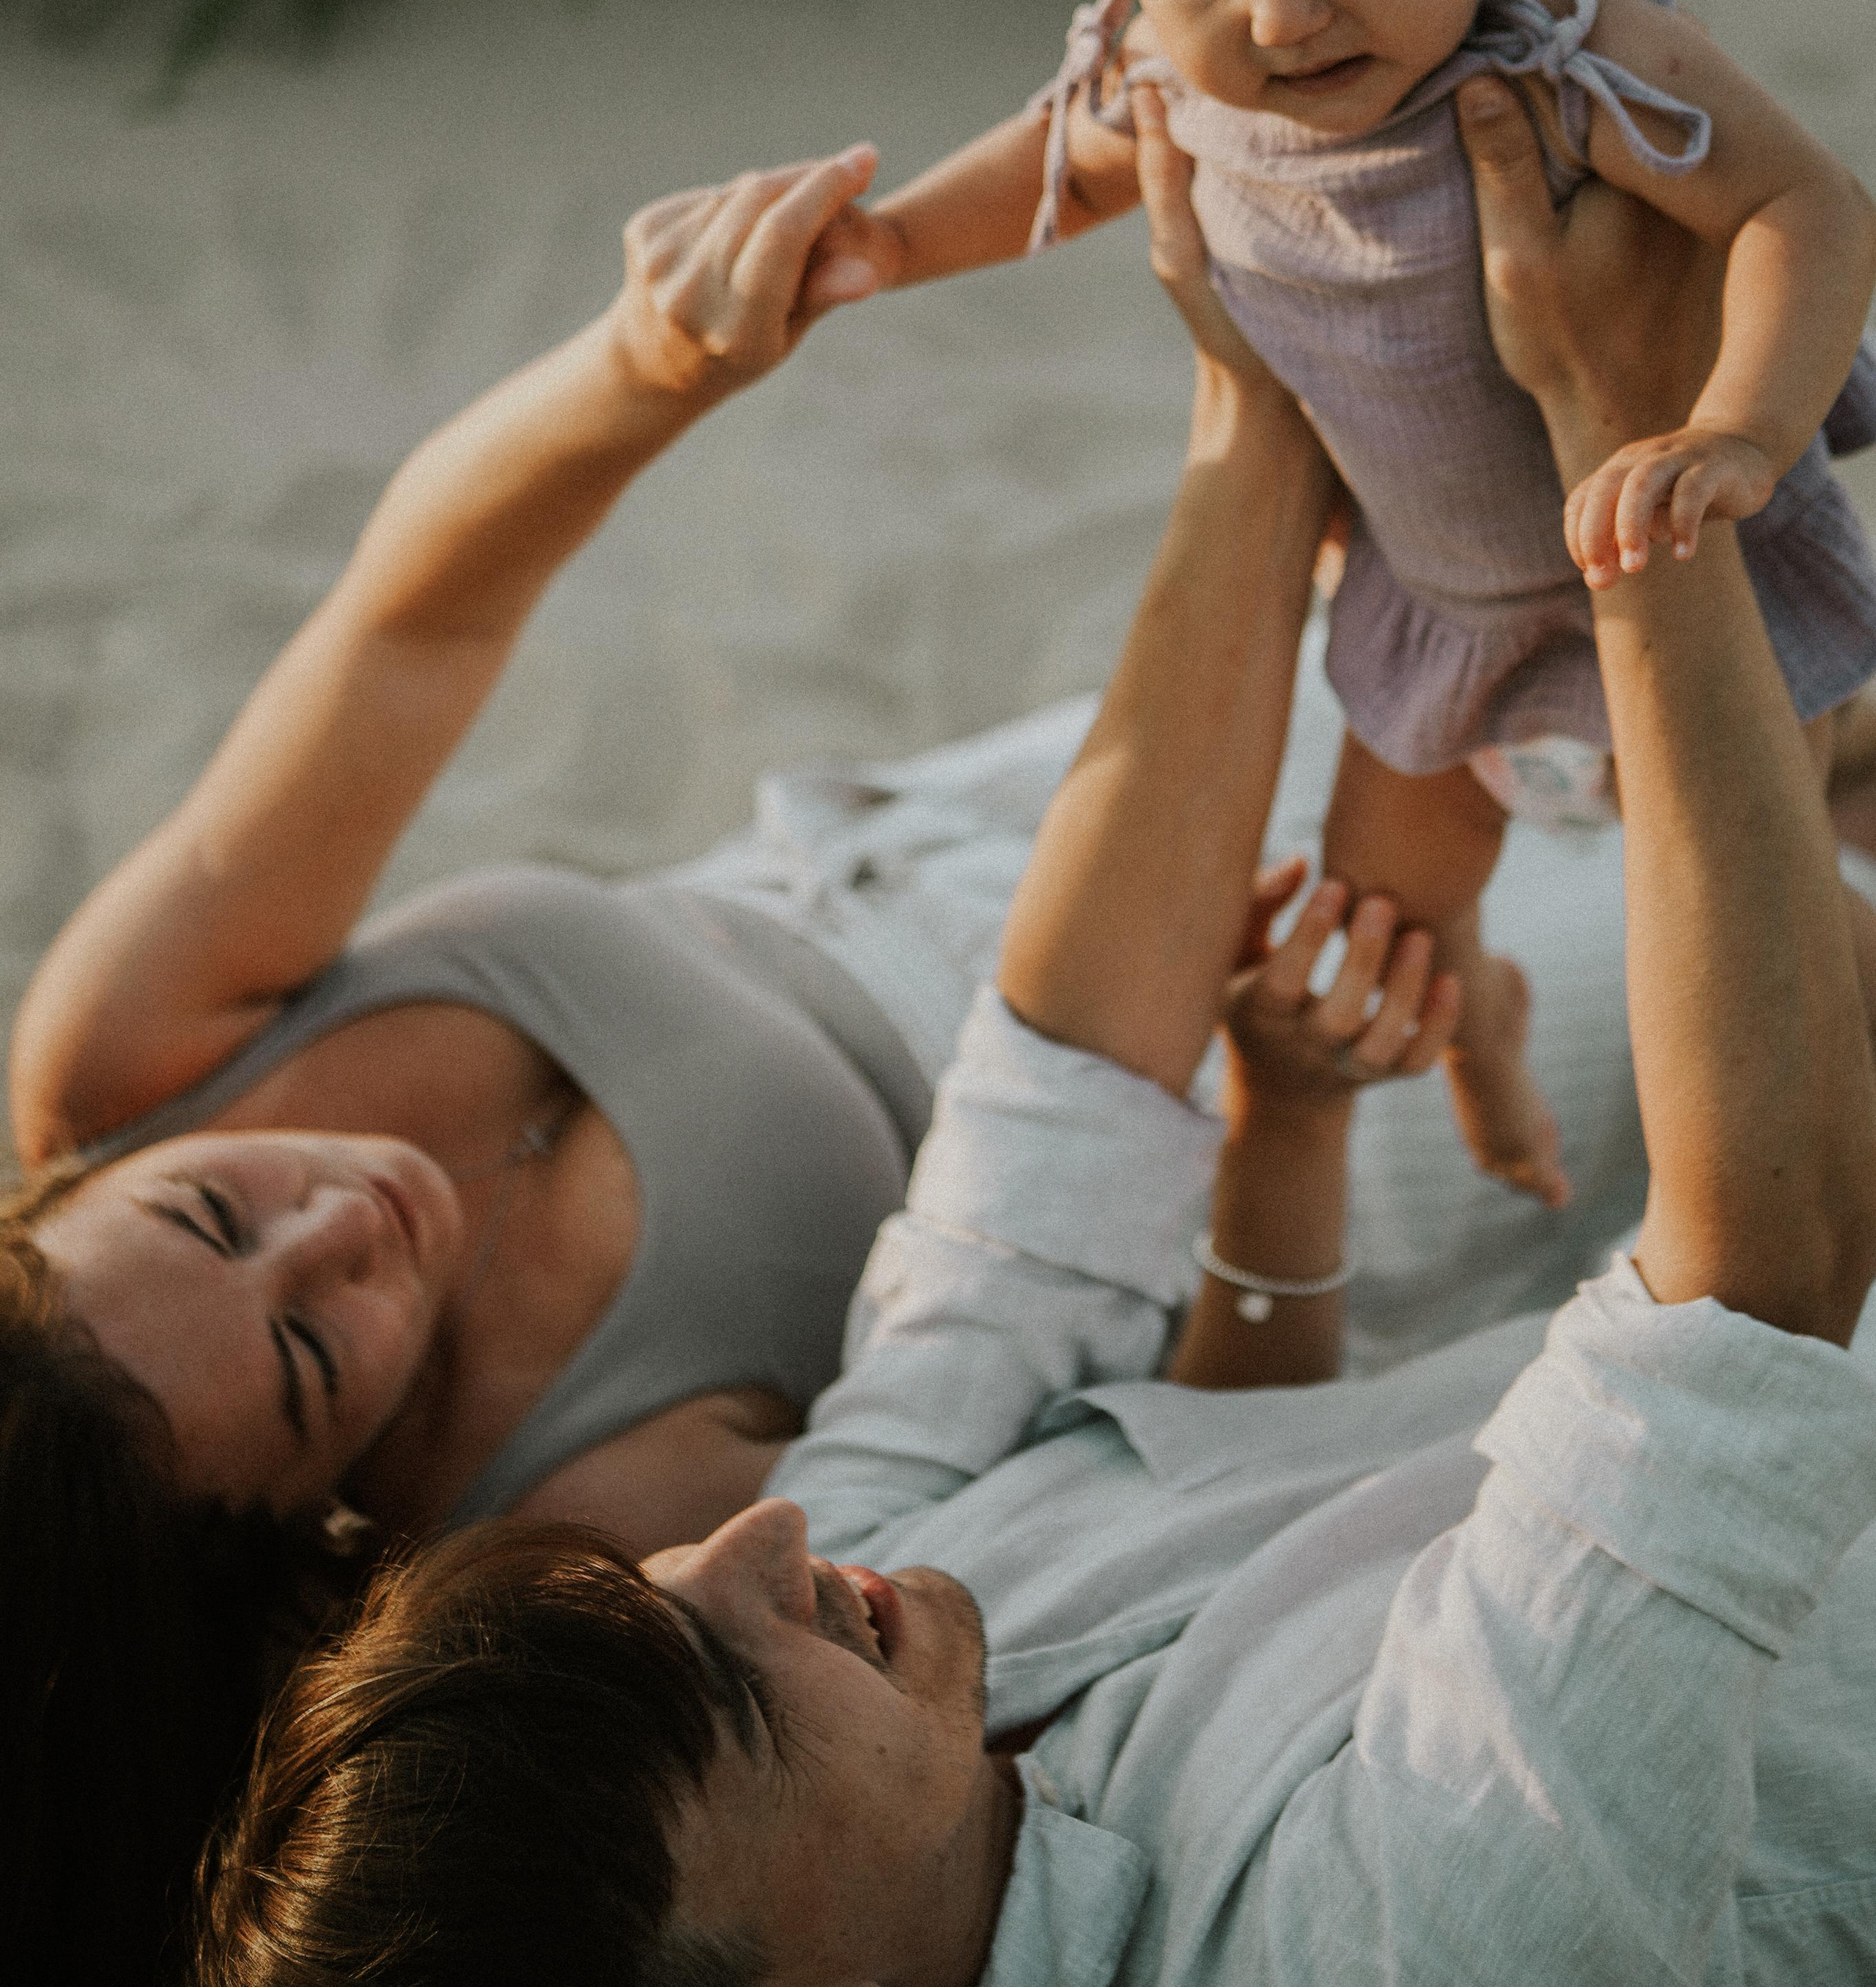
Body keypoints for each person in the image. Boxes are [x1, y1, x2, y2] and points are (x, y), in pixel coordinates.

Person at [195, 78, 1876, 1986]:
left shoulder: (869, 1605)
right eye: (722, 1697)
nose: (750, 1548)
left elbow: (1039, 1153)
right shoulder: (1369, 1944)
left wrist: (1256, 382)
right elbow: (1750, 1300)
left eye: (652, 1601)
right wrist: (1624, 461)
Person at [0, 130, 1542, 1986]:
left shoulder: (119, 1062)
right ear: (306, 1543)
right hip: (1221, 1057)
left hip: (979, 829)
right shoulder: (609, 1533)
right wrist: (1291, 1121)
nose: (338, 1223)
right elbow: (1114, 1428)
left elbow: (409, 628)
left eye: (205, 1211)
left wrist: (645, 367)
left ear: (69, 1187)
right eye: (313, 1356)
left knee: (1589, 576)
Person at [801, 0, 1876, 1210]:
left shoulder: (1569, 60)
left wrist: (1740, 431)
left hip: (1683, 569)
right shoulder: (1175, 73)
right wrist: (887, 244)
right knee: (1387, 918)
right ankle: (1485, 1040)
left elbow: (1807, 210)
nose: (1283, 14)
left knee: (1759, 916)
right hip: (1436, 608)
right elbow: (1055, 160)